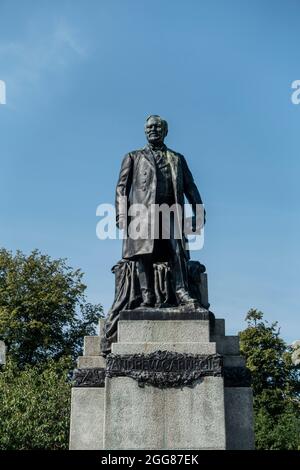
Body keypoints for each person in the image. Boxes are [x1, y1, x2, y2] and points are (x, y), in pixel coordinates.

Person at [115, 115, 205, 307]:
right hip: (142, 213)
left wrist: (198, 210)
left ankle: (182, 291)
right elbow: (121, 187)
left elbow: (190, 186)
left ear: (165, 131)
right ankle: (147, 296)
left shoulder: (177, 159)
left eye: (156, 127)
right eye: (149, 127)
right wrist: (122, 214)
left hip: (170, 211)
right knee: (144, 254)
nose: (152, 130)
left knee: (177, 250)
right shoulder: (133, 157)